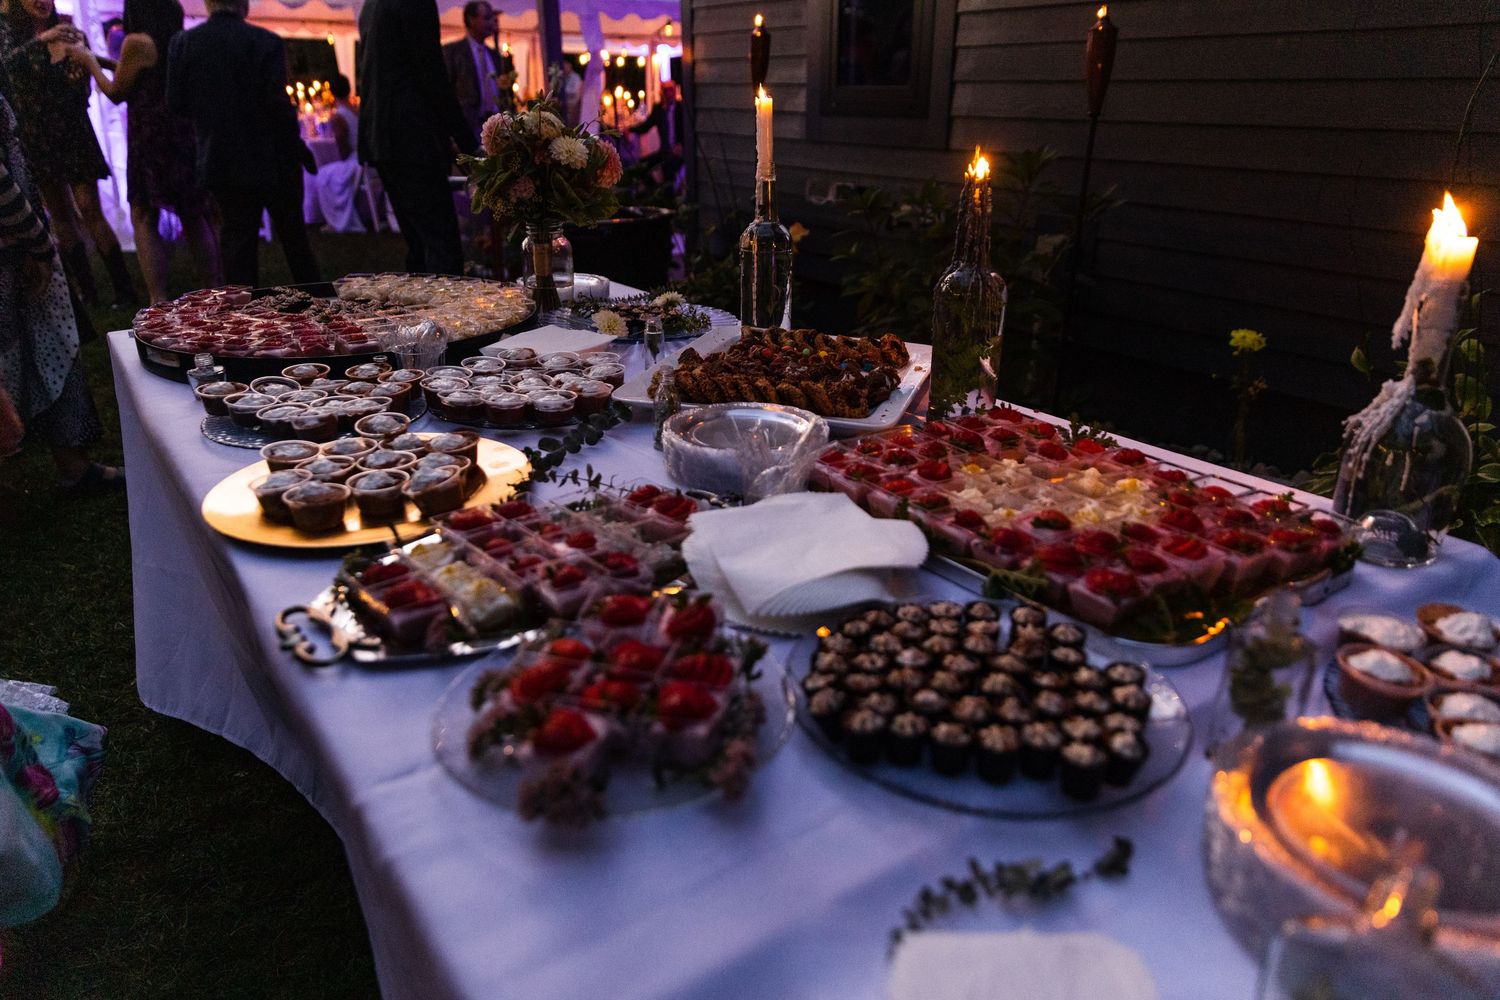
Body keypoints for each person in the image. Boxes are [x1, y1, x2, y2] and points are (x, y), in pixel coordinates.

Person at [0, 87, 122, 492]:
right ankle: (69, 463)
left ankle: (71, 462)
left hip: (15, 244)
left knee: (35, 353)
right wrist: (37, 241)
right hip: (12, 247)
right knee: (41, 350)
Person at [70, 0, 221, 304]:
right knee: (193, 213)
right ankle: (215, 288)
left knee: (144, 212)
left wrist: (88, 61)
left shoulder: (136, 42)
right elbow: (142, 71)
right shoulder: (178, 39)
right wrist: (103, 60)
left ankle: (158, 298)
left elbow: (115, 93)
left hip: (151, 136)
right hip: (182, 134)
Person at [166, 0, 319, 288]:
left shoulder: (185, 43)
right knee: (295, 241)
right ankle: (320, 308)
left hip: (221, 155)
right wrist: (296, 147)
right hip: (272, 155)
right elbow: (277, 104)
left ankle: (243, 317)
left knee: (237, 242)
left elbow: (176, 103)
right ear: (244, 5)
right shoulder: (265, 41)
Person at [0, 0, 139, 307]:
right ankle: (88, 292)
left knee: (89, 208)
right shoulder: (10, 36)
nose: (42, 2)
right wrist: (41, 42)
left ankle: (123, 288)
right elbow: (7, 69)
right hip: (37, 137)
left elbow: (84, 88)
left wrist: (77, 66)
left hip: (74, 132)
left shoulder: (70, 32)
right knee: (60, 213)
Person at [359, 0, 476, 276]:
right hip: (411, 137)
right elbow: (431, 74)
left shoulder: (371, 5)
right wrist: (470, 144)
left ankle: (418, 315)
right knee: (441, 247)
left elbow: (367, 71)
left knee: (419, 246)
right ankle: (442, 318)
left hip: (383, 138)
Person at [303, 73, 364, 234]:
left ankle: (337, 220)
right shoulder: (357, 110)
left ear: (333, 93)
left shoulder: (339, 117)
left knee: (322, 175)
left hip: (356, 162)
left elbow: (343, 149)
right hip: (366, 160)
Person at [441, 1, 505, 138]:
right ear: (471, 20)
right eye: (487, 18)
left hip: (495, 130)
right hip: (467, 131)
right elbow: (446, 92)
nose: (492, 23)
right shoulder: (453, 52)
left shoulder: (494, 55)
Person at [629, 79, 684, 189]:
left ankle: (667, 192)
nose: (669, 94)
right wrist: (629, 130)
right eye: (666, 90)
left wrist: (681, 144)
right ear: (662, 93)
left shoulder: (680, 108)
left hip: (679, 152)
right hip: (664, 151)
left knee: (668, 170)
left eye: (671, 90)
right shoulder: (659, 109)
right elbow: (646, 126)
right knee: (642, 166)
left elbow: (686, 130)